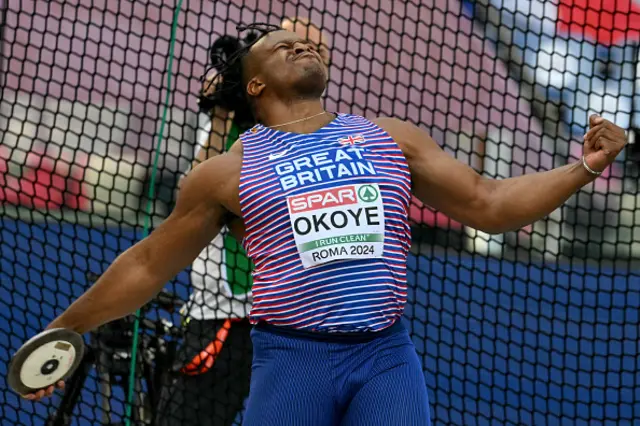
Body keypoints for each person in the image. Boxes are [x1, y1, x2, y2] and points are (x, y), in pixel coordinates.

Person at [22, 23, 627, 426]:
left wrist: (584, 167)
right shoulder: (224, 174)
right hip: (292, 362)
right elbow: (150, 264)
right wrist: (65, 331)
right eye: (281, 46)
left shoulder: (388, 137)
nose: (301, 46)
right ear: (253, 83)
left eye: (307, 45)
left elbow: (491, 204)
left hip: (386, 358)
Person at [155, 18, 332, 426]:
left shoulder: (325, 132)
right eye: (292, 45)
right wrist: (219, 112)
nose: (307, 53)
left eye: (317, 50)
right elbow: (193, 199)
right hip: (229, 316)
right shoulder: (232, 126)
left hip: (300, 322)